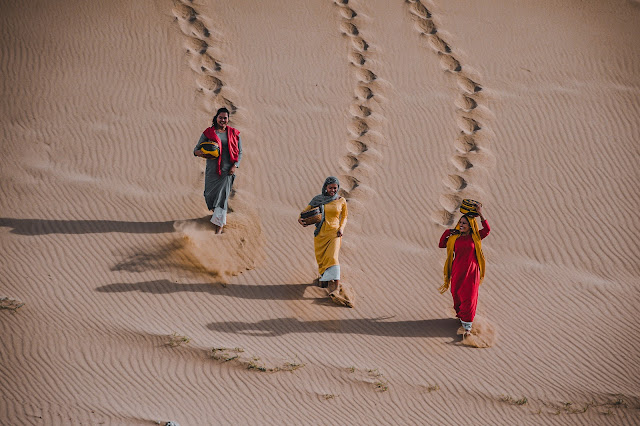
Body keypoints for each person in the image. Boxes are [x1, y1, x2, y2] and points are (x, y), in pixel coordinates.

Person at [438, 205, 490, 338]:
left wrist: (480, 214)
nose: (461, 225)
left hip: (472, 272)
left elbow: (487, 230)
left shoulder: (476, 237)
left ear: (470, 225)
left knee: (469, 296)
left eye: (464, 223)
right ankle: (462, 317)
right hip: (457, 270)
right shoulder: (454, 237)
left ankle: (467, 328)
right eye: (460, 223)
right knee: (457, 294)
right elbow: (441, 244)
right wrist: (448, 232)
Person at [193, 107, 242, 234]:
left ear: (228, 119)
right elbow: (196, 150)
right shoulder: (208, 133)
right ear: (216, 118)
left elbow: (240, 152)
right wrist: (202, 153)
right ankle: (217, 214)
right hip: (212, 170)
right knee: (209, 195)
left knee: (222, 197)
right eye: (220, 117)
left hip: (227, 171)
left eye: (225, 118)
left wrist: (234, 166)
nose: (223, 120)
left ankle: (219, 225)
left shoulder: (234, 133)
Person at [298, 176, 348, 296]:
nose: (333, 190)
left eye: (335, 188)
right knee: (322, 259)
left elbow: (344, 217)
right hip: (320, 234)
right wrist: (300, 220)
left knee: (333, 258)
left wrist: (341, 228)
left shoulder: (341, 201)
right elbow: (303, 213)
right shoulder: (318, 199)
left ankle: (336, 287)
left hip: (334, 233)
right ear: (325, 187)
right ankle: (325, 279)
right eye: (330, 188)